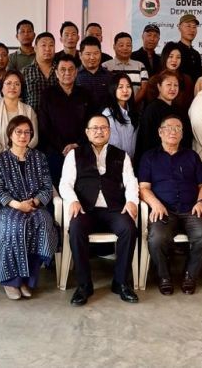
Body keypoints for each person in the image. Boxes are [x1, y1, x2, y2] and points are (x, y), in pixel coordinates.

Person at [61, 115, 140, 306]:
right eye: (94, 128)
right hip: (86, 208)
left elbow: (131, 182)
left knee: (129, 229)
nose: (99, 131)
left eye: (103, 128)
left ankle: (121, 283)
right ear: (87, 132)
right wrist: (72, 200)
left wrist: (131, 201)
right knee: (76, 229)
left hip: (113, 209)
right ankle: (84, 285)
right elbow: (65, 183)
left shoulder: (121, 155)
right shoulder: (75, 155)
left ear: (109, 131)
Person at [137, 113, 202, 295]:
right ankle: (163, 276)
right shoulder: (149, 157)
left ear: (182, 134)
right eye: (169, 128)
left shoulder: (192, 156)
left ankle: (190, 275)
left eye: (178, 129)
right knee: (157, 238)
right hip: (163, 211)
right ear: (160, 132)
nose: (173, 132)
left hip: (191, 209)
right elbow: (143, 188)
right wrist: (155, 203)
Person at [0, 115, 59, 299]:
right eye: (18, 132)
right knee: (14, 227)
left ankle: (28, 280)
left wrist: (34, 202)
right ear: (10, 134)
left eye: (27, 132)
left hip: (34, 205)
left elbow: (46, 185)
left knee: (43, 222)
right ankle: (11, 281)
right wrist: (17, 204)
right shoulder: (0, 159)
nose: (23, 136)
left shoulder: (39, 157)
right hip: (10, 207)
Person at [0, 70, 39, 167]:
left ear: (21, 88)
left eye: (17, 84)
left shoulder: (28, 110)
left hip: (24, 162)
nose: (12, 87)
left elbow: (34, 138)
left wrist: (20, 153)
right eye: (8, 83)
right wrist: (6, 155)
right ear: (2, 87)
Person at [136, 71, 193, 167]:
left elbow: (187, 137)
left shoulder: (180, 110)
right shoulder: (151, 110)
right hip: (157, 163)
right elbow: (146, 142)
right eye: (168, 85)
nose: (173, 88)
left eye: (176, 85)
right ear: (159, 86)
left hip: (180, 161)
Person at [141, 43, 193, 111]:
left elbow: (189, 104)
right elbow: (151, 106)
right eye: (171, 56)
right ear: (165, 57)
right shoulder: (154, 80)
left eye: (178, 57)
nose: (174, 60)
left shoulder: (187, 80)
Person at [101, 73, 139, 161]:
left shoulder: (133, 112)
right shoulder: (108, 114)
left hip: (132, 161)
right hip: (116, 162)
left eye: (128, 86)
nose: (125, 90)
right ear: (113, 89)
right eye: (120, 87)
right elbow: (113, 143)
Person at [20, 32, 57, 113]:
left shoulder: (61, 71)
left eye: (51, 45)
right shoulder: (25, 72)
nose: (47, 49)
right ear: (35, 48)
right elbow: (20, 99)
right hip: (32, 119)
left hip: (57, 120)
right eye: (43, 45)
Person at [163, 14, 202, 82]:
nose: (192, 30)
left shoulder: (196, 54)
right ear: (179, 28)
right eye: (188, 26)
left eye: (194, 27)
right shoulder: (174, 50)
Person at [75, 36, 111, 107]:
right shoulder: (74, 76)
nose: (92, 57)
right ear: (80, 55)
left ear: (100, 53)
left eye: (96, 53)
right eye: (88, 54)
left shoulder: (109, 76)